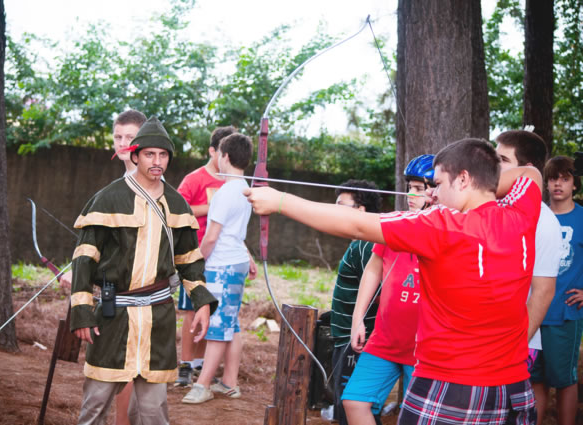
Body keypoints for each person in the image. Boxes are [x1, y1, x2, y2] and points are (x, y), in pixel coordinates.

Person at [245, 138, 543, 425]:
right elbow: (530, 173)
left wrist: (280, 201)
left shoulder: (441, 226)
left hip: (451, 384)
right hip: (513, 387)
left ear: (463, 179)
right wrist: (486, 182)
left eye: (438, 184)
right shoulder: (522, 213)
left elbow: (357, 224)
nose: (432, 195)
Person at [69, 116, 218, 424]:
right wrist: (82, 310)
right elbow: (84, 258)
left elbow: (189, 260)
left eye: (163, 155)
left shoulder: (178, 205)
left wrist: (202, 301)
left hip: (157, 320)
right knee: (95, 405)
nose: (157, 161)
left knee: (153, 412)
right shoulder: (107, 199)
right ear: (135, 156)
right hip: (112, 317)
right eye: (150, 154)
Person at [60, 109, 147, 425]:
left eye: (131, 137)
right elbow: (93, 250)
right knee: (109, 373)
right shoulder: (112, 192)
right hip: (114, 300)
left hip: (146, 303)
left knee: (138, 377)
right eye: (118, 137)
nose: (123, 143)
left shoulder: (154, 188)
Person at [342, 155, 434, 425]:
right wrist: (358, 318)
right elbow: (373, 269)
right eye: (410, 188)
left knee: (415, 417)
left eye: (419, 189)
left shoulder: (446, 229)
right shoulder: (395, 223)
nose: (410, 194)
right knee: (354, 402)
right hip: (385, 339)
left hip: (425, 347)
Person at [182, 133, 255, 404]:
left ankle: (202, 385)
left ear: (224, 157)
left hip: (222, 265)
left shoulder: (225, 193)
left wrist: (196, 263)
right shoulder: (245, 188)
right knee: (231, 324)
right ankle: (230, 382)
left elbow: (211, 237)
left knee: (217, 324)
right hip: (234, 261)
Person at [175, 125, 236, 387]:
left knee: (214, 313)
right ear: (213, 151)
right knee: (192, 312)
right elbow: (177, 209)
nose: (226, 158)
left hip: (224, 259)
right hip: (196, 255)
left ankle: (202, 367)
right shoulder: (194, 179)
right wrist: (210, 207)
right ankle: (186, 367)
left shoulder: (232, 183)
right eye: (223, 151)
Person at [495, 130, 560, 371]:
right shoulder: (488, 207)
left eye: (502, 160)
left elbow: (543, 291)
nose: (493, 165)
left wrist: (516, 346)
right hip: (477, 338)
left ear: (527, 170)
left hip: (514, 344)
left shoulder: (544, 221)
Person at [531, 155, 583, 425]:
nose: (558, 184)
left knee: (564, 379)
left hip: (565, 313)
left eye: (565, 179)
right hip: (532, 312)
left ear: (575, 184)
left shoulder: (582, 218)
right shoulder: (536, 214)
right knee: (535, 378)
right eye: (553, 179)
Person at [328, 179, 382, 425]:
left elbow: (377, 290)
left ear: (361, 211)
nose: (334, 209)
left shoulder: (365, 243)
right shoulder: (362, 242)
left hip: (358, 341)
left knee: (351, 409)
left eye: (342, 204)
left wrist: (360, 326)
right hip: (350, 337)